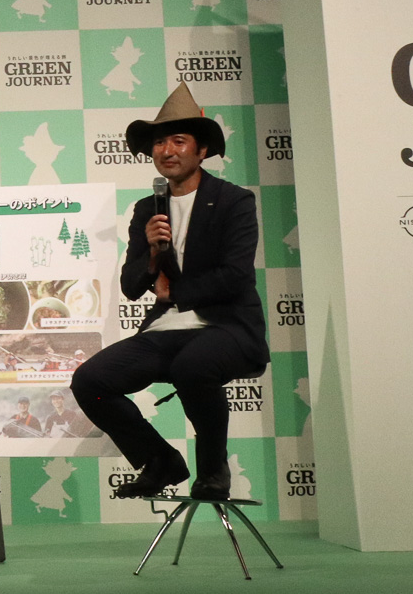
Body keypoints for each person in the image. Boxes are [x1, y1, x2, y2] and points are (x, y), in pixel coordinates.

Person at [69, 84, 270, 501]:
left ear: (201, 151)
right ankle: (159, 461)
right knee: (91, 380)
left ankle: (213, 469)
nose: (167, 150)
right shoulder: (148, 208)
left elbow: (234, 276)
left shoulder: (234, 201)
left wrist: (172, 289)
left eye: (179, 140)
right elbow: (130, 286)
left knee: (194, 366)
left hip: (227, 327)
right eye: (160, 142)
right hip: (168, 330)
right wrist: (150, 256)